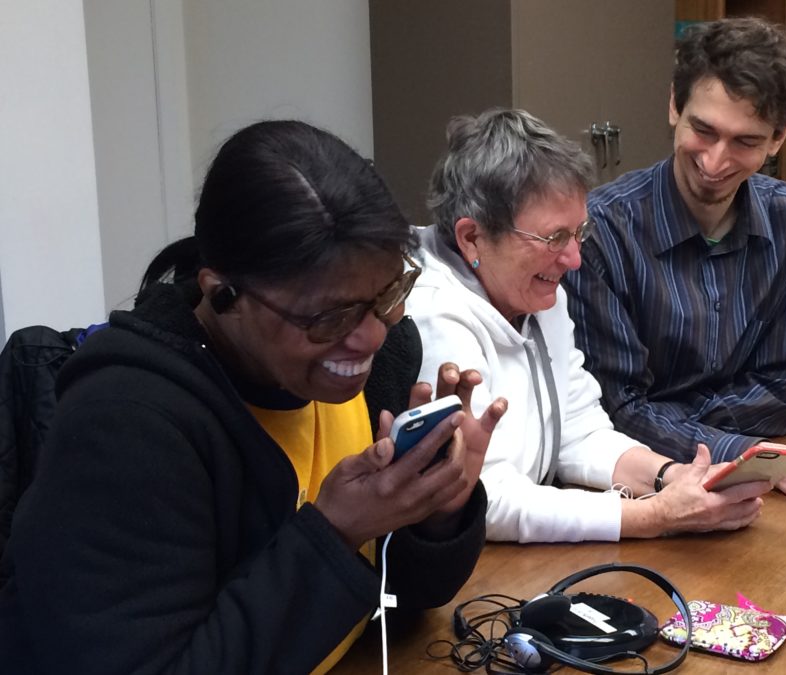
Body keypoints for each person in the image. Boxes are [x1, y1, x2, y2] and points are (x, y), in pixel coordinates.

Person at [0, 120, 505, 674]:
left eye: (388, 293)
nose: (370, 335)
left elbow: (394, 601)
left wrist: (436, 508)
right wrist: (335, 532)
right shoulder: (127, 424)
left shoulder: (381, 360)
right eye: (328, 316)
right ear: (224, 294)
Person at [409, 108, 770, 543]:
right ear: (472, 238)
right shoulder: (431, 318)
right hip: (467, 570)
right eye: (554, 238)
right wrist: (652, 517)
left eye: (579, 232)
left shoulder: (534, 293)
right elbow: (484, 499)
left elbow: (578, 429)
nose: (574, 259)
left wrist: (670, 477)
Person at [563, 17, 786, 502]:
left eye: (746, 141)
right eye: (703, 130)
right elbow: (616, 410)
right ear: (674, 105)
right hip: (641, 494)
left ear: (779, 138)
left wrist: (673, 420)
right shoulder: (600, 232)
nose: (714, 162)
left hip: (697, 476)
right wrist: (764, 462)